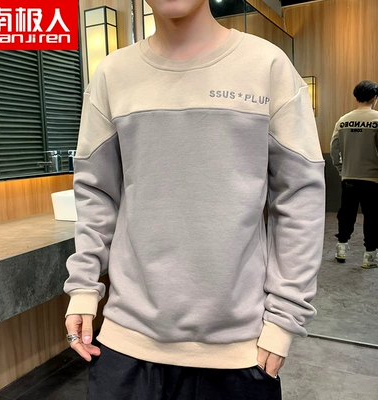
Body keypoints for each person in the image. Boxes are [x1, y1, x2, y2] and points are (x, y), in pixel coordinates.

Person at [64, 1, 325, 398]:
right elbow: (96, 191)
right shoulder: (112, 75)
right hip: (126, 343)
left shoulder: (267, 66)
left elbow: (300, 195)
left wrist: (286, 316)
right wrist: (83, 286)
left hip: (239, 350)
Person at [330, 80, 378, 269]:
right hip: (373, 178)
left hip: (349, 177)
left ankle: (341, 247)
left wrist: (341, 170)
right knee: (372, 217)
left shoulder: (343, 121)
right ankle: (369, 256)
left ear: (356, 97)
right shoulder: (376, 119)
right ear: (374, 97)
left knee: (346, 214)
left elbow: (334, 148)